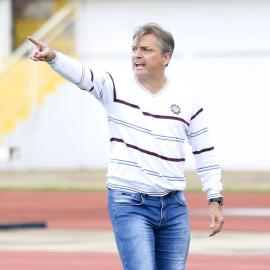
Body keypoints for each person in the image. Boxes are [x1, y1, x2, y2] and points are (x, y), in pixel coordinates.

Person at [28, 23, 224, 270]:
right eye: (134, 49)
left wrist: (214, 198)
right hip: (130, 203)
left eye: (146, 49)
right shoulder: (114, 87)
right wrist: (53, 57)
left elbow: (204, 151)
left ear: (166, 57)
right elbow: (83, 75)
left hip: (174, 207)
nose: (137, 55)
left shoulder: (187, 99)